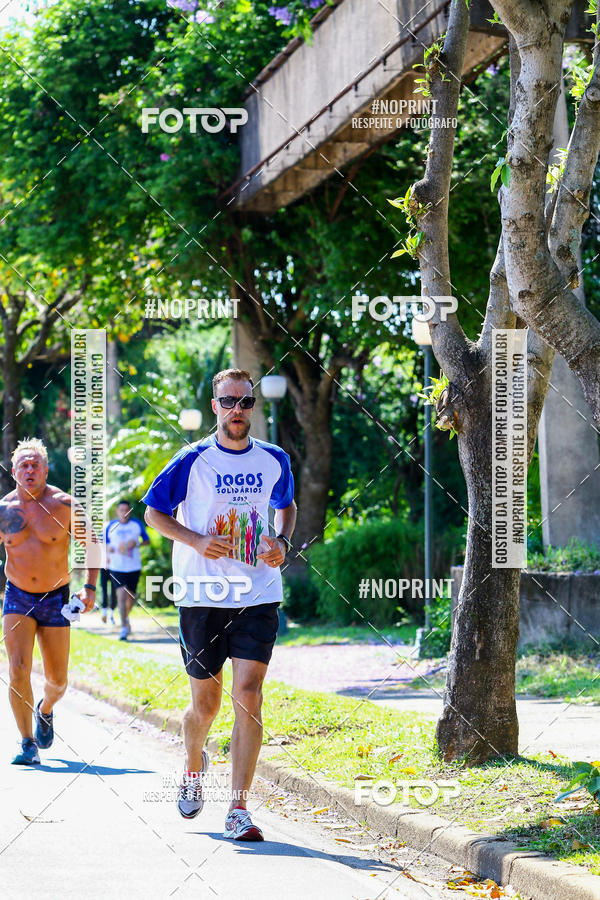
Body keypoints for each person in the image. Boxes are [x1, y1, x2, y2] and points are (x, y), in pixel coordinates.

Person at [143, 368, 296, 841]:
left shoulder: (274, 458)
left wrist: (283, 542)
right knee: (205, 706)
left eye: (245, 402)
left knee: (249, 695)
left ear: (253, 407)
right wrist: (196, 540)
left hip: (258, 592)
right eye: (228, 402)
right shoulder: (192, 460)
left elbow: (285, 506)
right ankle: (193, 765)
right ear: (215, 406)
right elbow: (154, 512)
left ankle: (238, 808)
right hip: (202, 595)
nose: (237, 410)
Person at [0, 438, 100, 765]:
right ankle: (27, 742)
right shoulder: (4, 511)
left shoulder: (64, 505)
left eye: (35, 465)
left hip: (56, 597)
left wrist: (89, 588)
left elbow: (93, 546)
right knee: (17, 670)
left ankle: (45, 709)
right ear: (14, 471)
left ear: (45, 469)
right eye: (23, 465)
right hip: (17, 596)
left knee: (57, 681)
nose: (29, 470)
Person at [105, 500, 149, 641]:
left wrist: (136, 543)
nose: (124, 512)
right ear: (117, 512)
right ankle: (124, 627)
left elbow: (146, 540)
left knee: (130, 598)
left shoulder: (136, 525)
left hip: (134, 566)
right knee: (121, 596)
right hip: (117, 567)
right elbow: (103, 543)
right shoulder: (111, 526)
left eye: (126, 510)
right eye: (121, 510)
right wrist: (109, 549)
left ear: (130, 511)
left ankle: (126, 617)